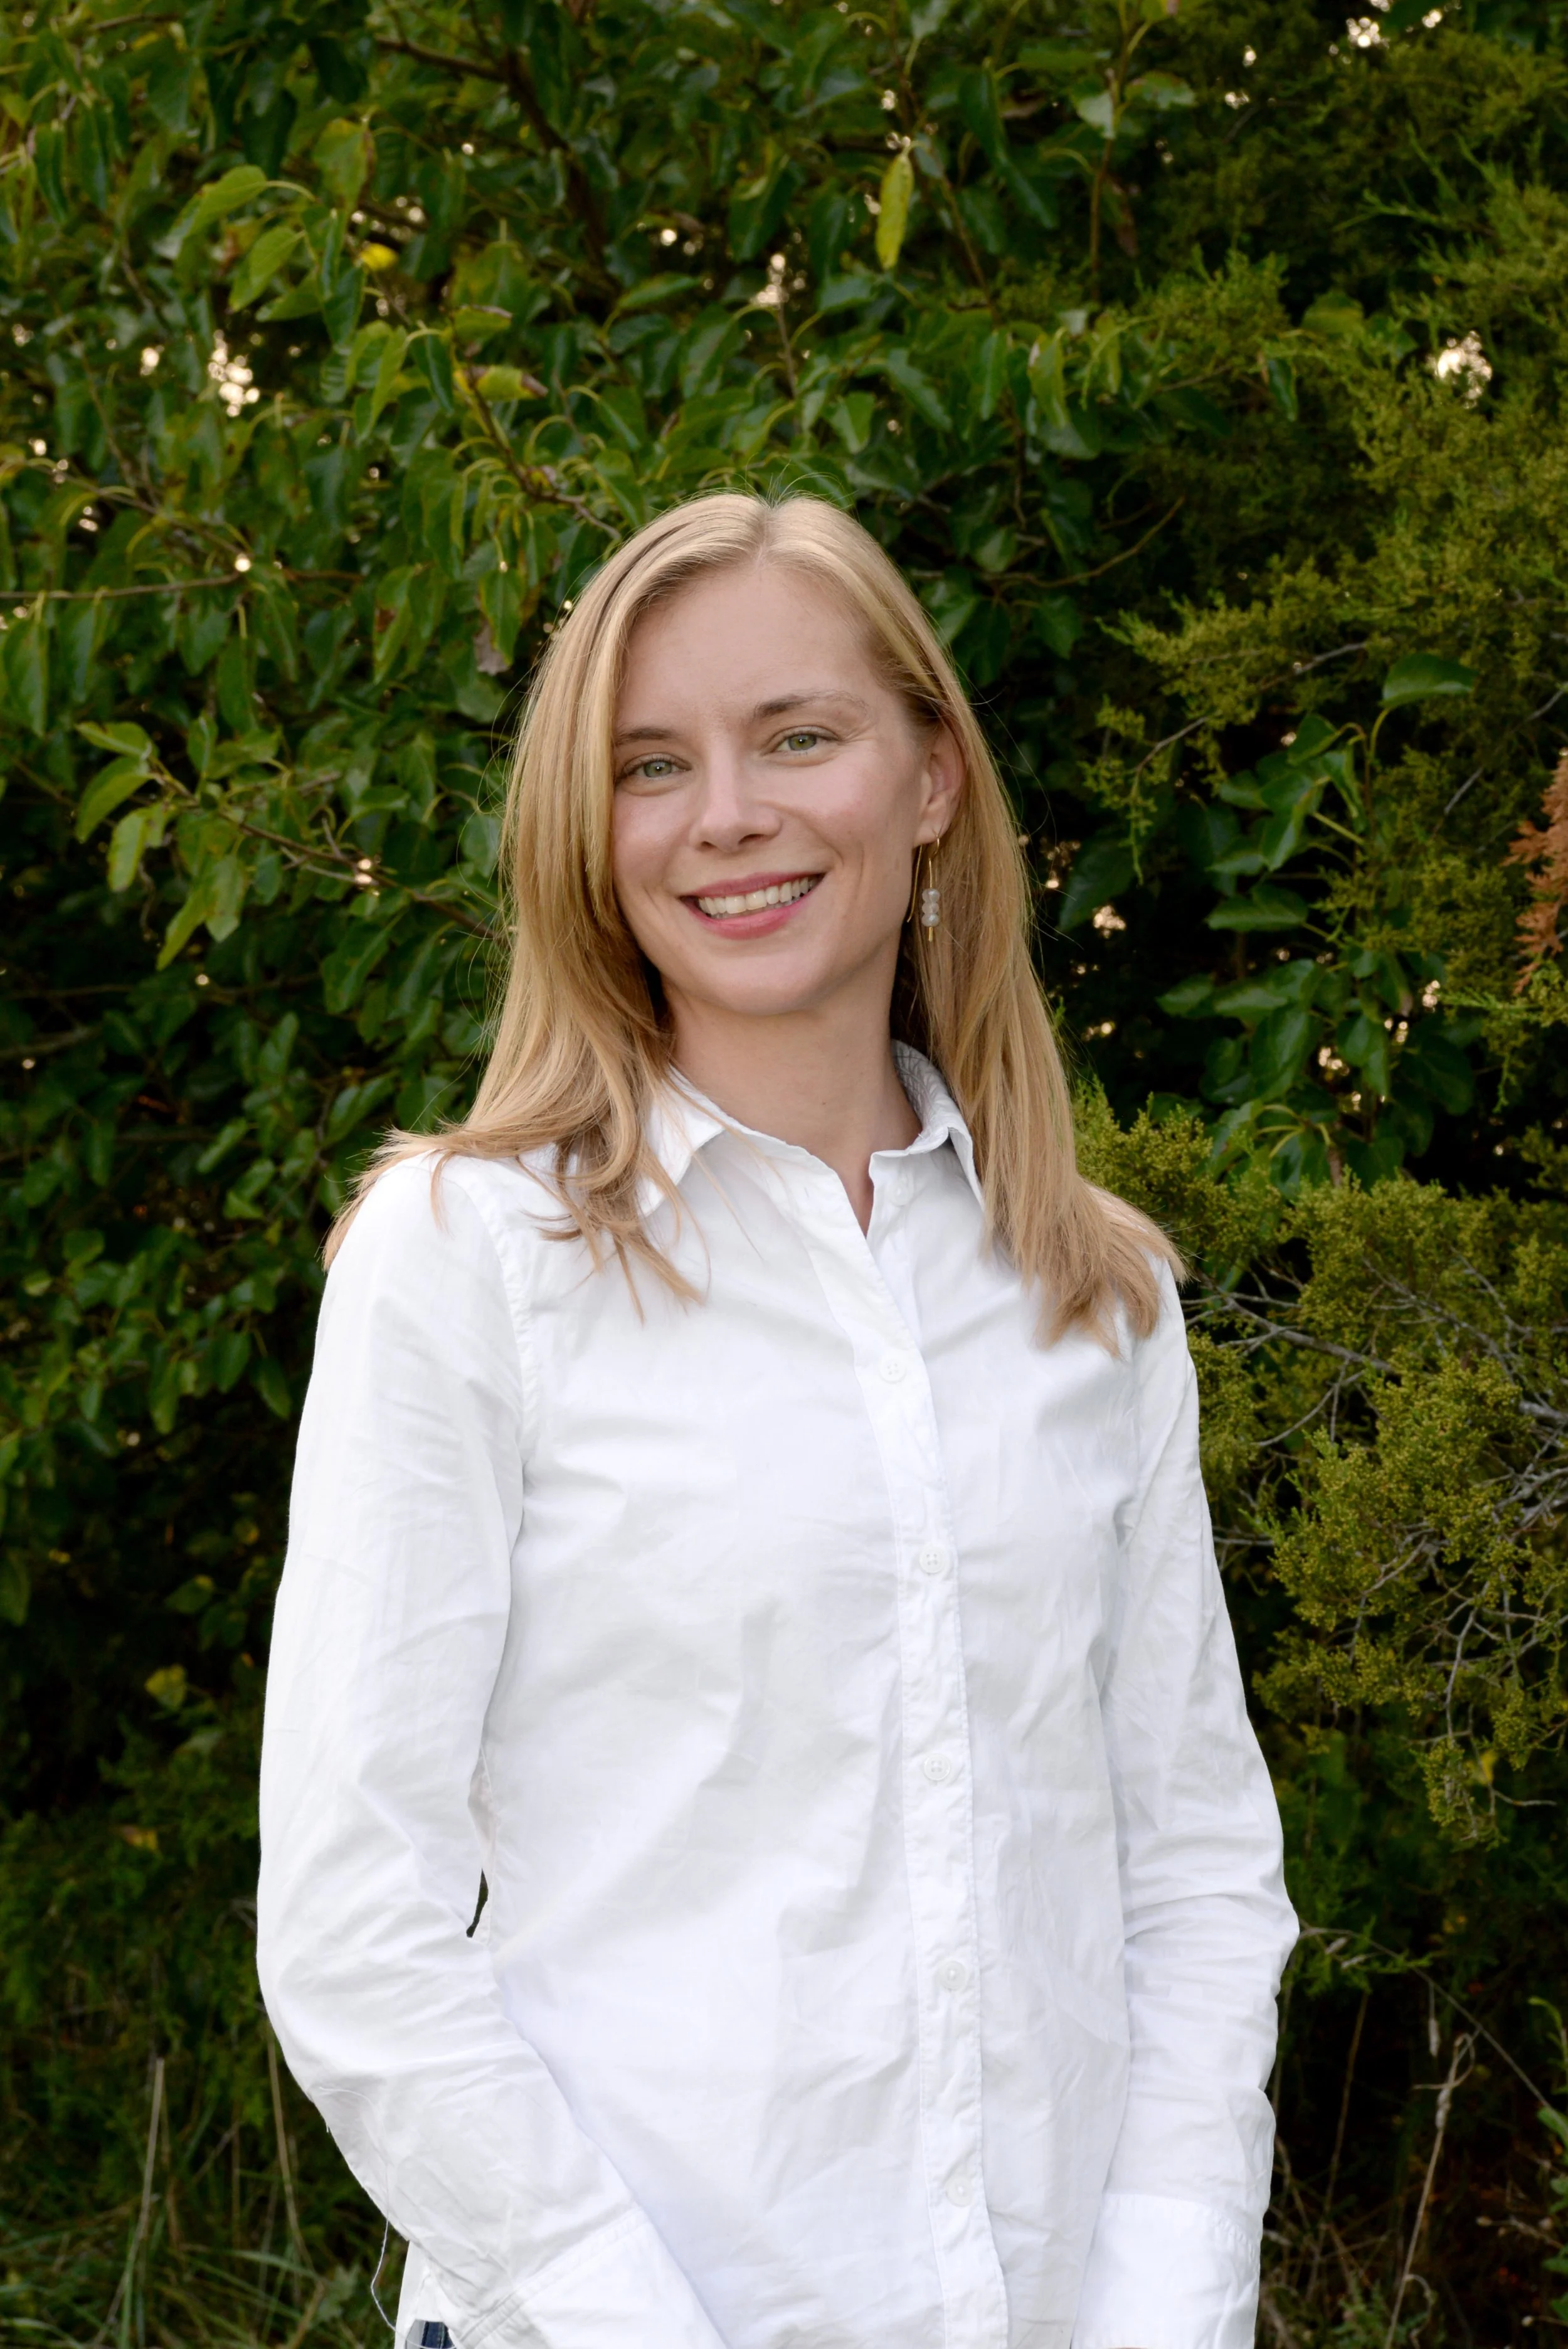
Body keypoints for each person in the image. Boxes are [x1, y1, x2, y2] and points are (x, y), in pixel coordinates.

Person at [257, 490, 1296, 2349]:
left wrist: (1168, 2302)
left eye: (795, 736)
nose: (725, 812)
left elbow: (1194, 1872)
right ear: (591, 832)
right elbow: (358, 1935)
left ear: (927, 778)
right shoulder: (467, 1263)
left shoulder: (1090, 1291)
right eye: (650, 763)